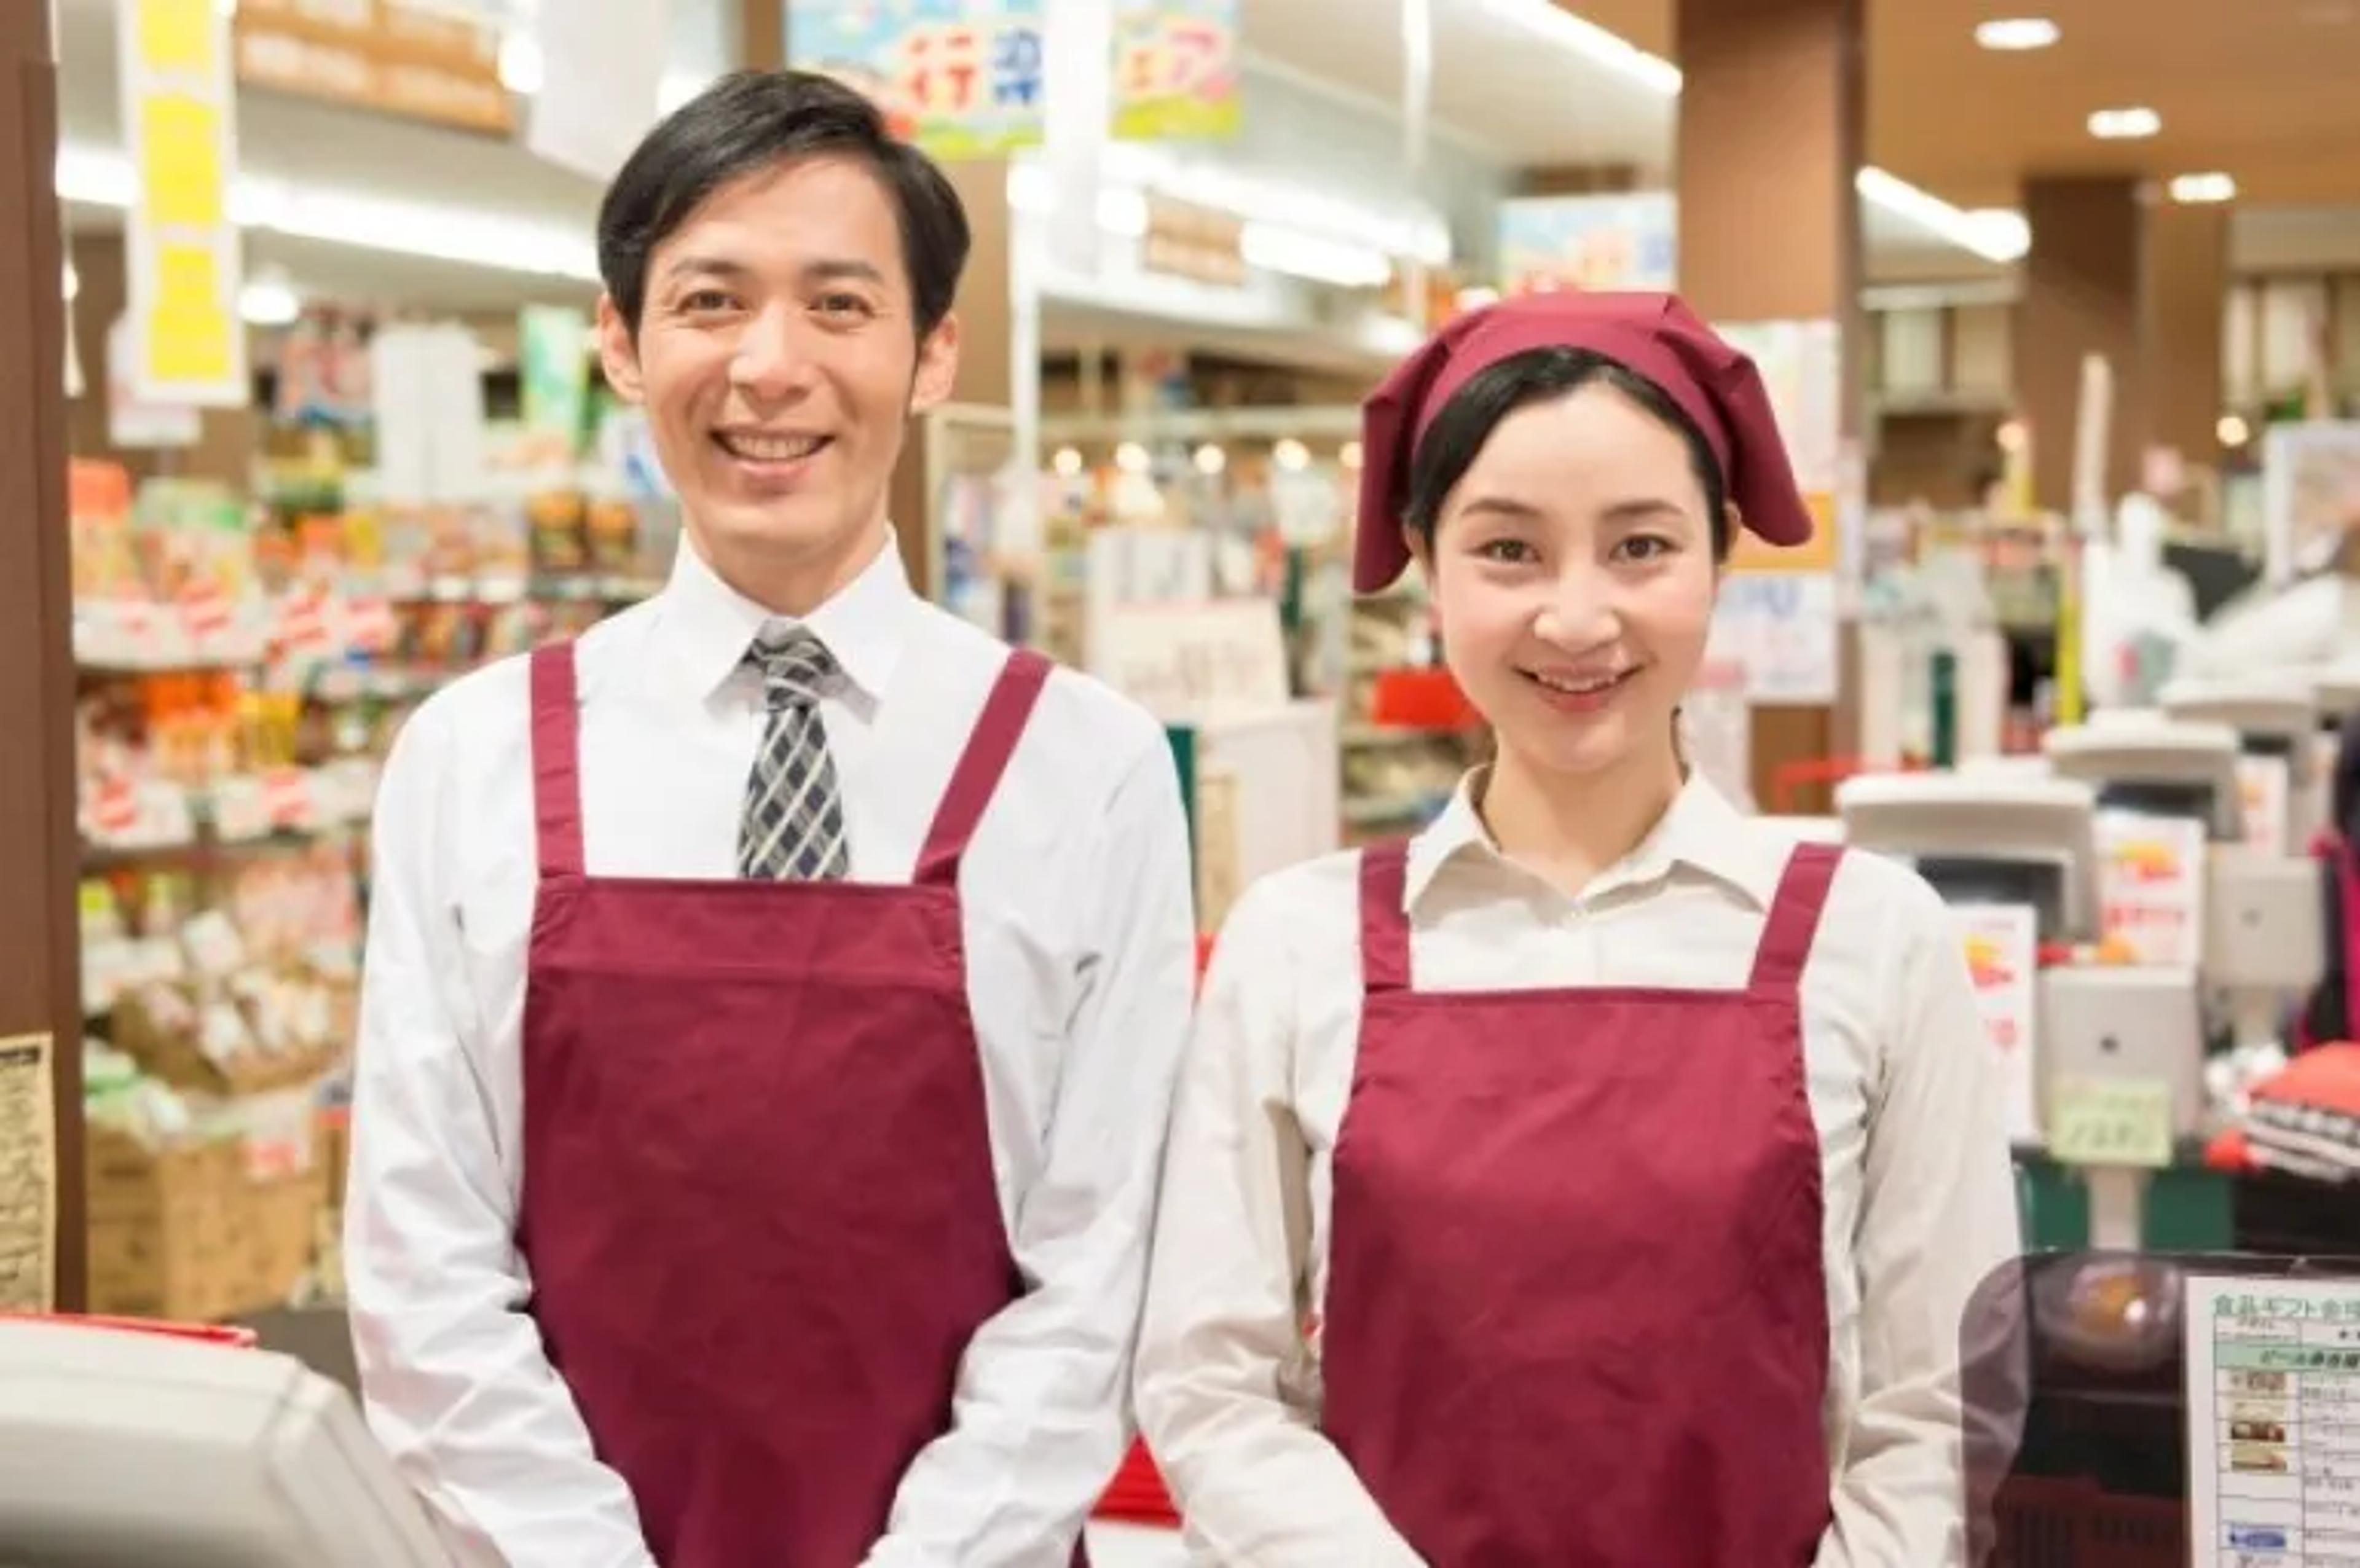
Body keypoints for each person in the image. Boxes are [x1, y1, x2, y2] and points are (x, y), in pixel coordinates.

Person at [344, 71, 1197, 1568]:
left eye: (841, 306)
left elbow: (1097, 1274)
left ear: (933, 354)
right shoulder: (470, 757)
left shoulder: (1090, 765)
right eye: (711, 300)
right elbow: (421, 1264)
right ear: (621, 341)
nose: (769, 366)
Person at [1135, 291, 2022, 1567]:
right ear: (1426, 562)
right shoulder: (1294, 946)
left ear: (1719, 555)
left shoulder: (1874, 941)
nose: (1577, 617)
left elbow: (1942, 1402)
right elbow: (1211, 1384)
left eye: (1641, 546)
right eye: (1508, 551)